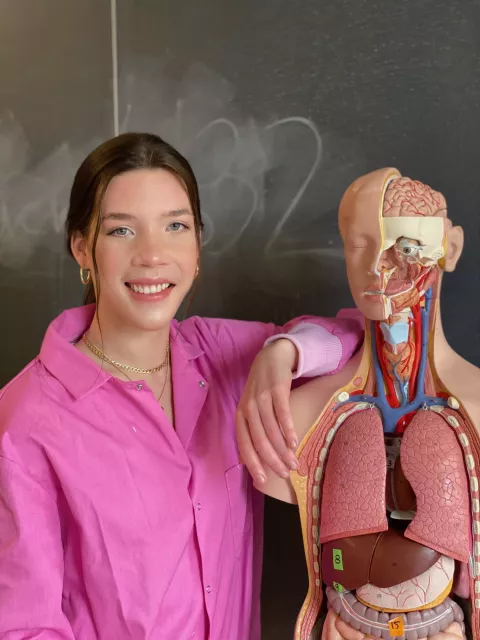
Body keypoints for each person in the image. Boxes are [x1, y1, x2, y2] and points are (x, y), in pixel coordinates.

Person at [0, 133, 363, 640]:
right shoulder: (25, 420)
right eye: (122, 231)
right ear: (82, 247)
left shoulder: (225, 355)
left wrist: (285, 351)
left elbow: (356, 335)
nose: (153, 255)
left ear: (197, 246)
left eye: (175, 226)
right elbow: (23, 627)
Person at [252, 169, 477, 640]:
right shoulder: (298, 416)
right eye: (360, 246)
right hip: (348, 622)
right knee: (358, 434)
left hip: (442, 625)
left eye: (406, 247)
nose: (381, 267)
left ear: (449, 250)